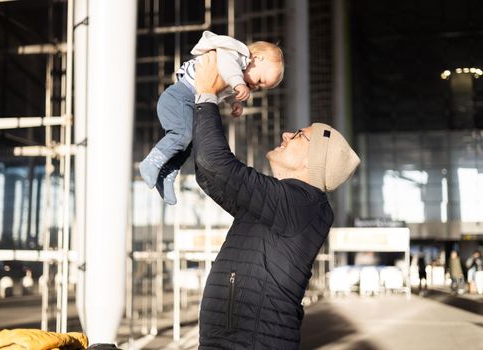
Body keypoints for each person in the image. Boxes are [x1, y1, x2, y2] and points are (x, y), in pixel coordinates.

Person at [192, 51, 360, 350]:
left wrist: (206, 95)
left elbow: (218, 165)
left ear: (314, 162)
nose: (285, 134)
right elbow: (209, 175)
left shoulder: (301, 205)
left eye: (298, 136)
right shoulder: (283, 205)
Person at [139, 31, 284, 205]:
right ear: (258, 58)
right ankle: (150, 162)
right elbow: (227, 66)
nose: (256, 86)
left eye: (261, 87)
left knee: (188, 143)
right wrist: (238, 83)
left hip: (188, 104)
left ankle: (167, 173)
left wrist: (233, 101)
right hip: (178, 96)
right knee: (183, 135)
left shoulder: (236, 75)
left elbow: (225, 84)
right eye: (260, 80)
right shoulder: (236, 53)